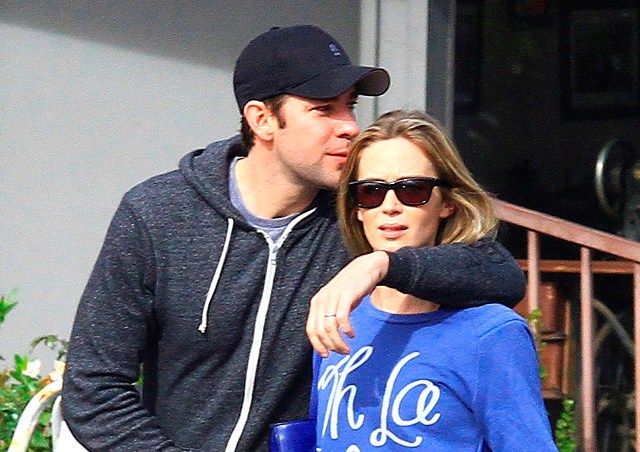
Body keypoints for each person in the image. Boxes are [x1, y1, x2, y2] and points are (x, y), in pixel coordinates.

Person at [61, 25, 526, 451]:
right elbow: (93, 389)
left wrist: (378, 264)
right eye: (324, 109)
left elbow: (499, 274)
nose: (349, 125)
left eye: (350, 106)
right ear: (262, 120)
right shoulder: (158, 214)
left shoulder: (357, 215)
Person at [311, 110, 555, 451]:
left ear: (447, 203)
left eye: (413, 190)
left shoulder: (491, 333)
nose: (390, 206)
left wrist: (381, 265)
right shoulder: (339, 318)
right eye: (371, 191)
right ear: (357, 208)